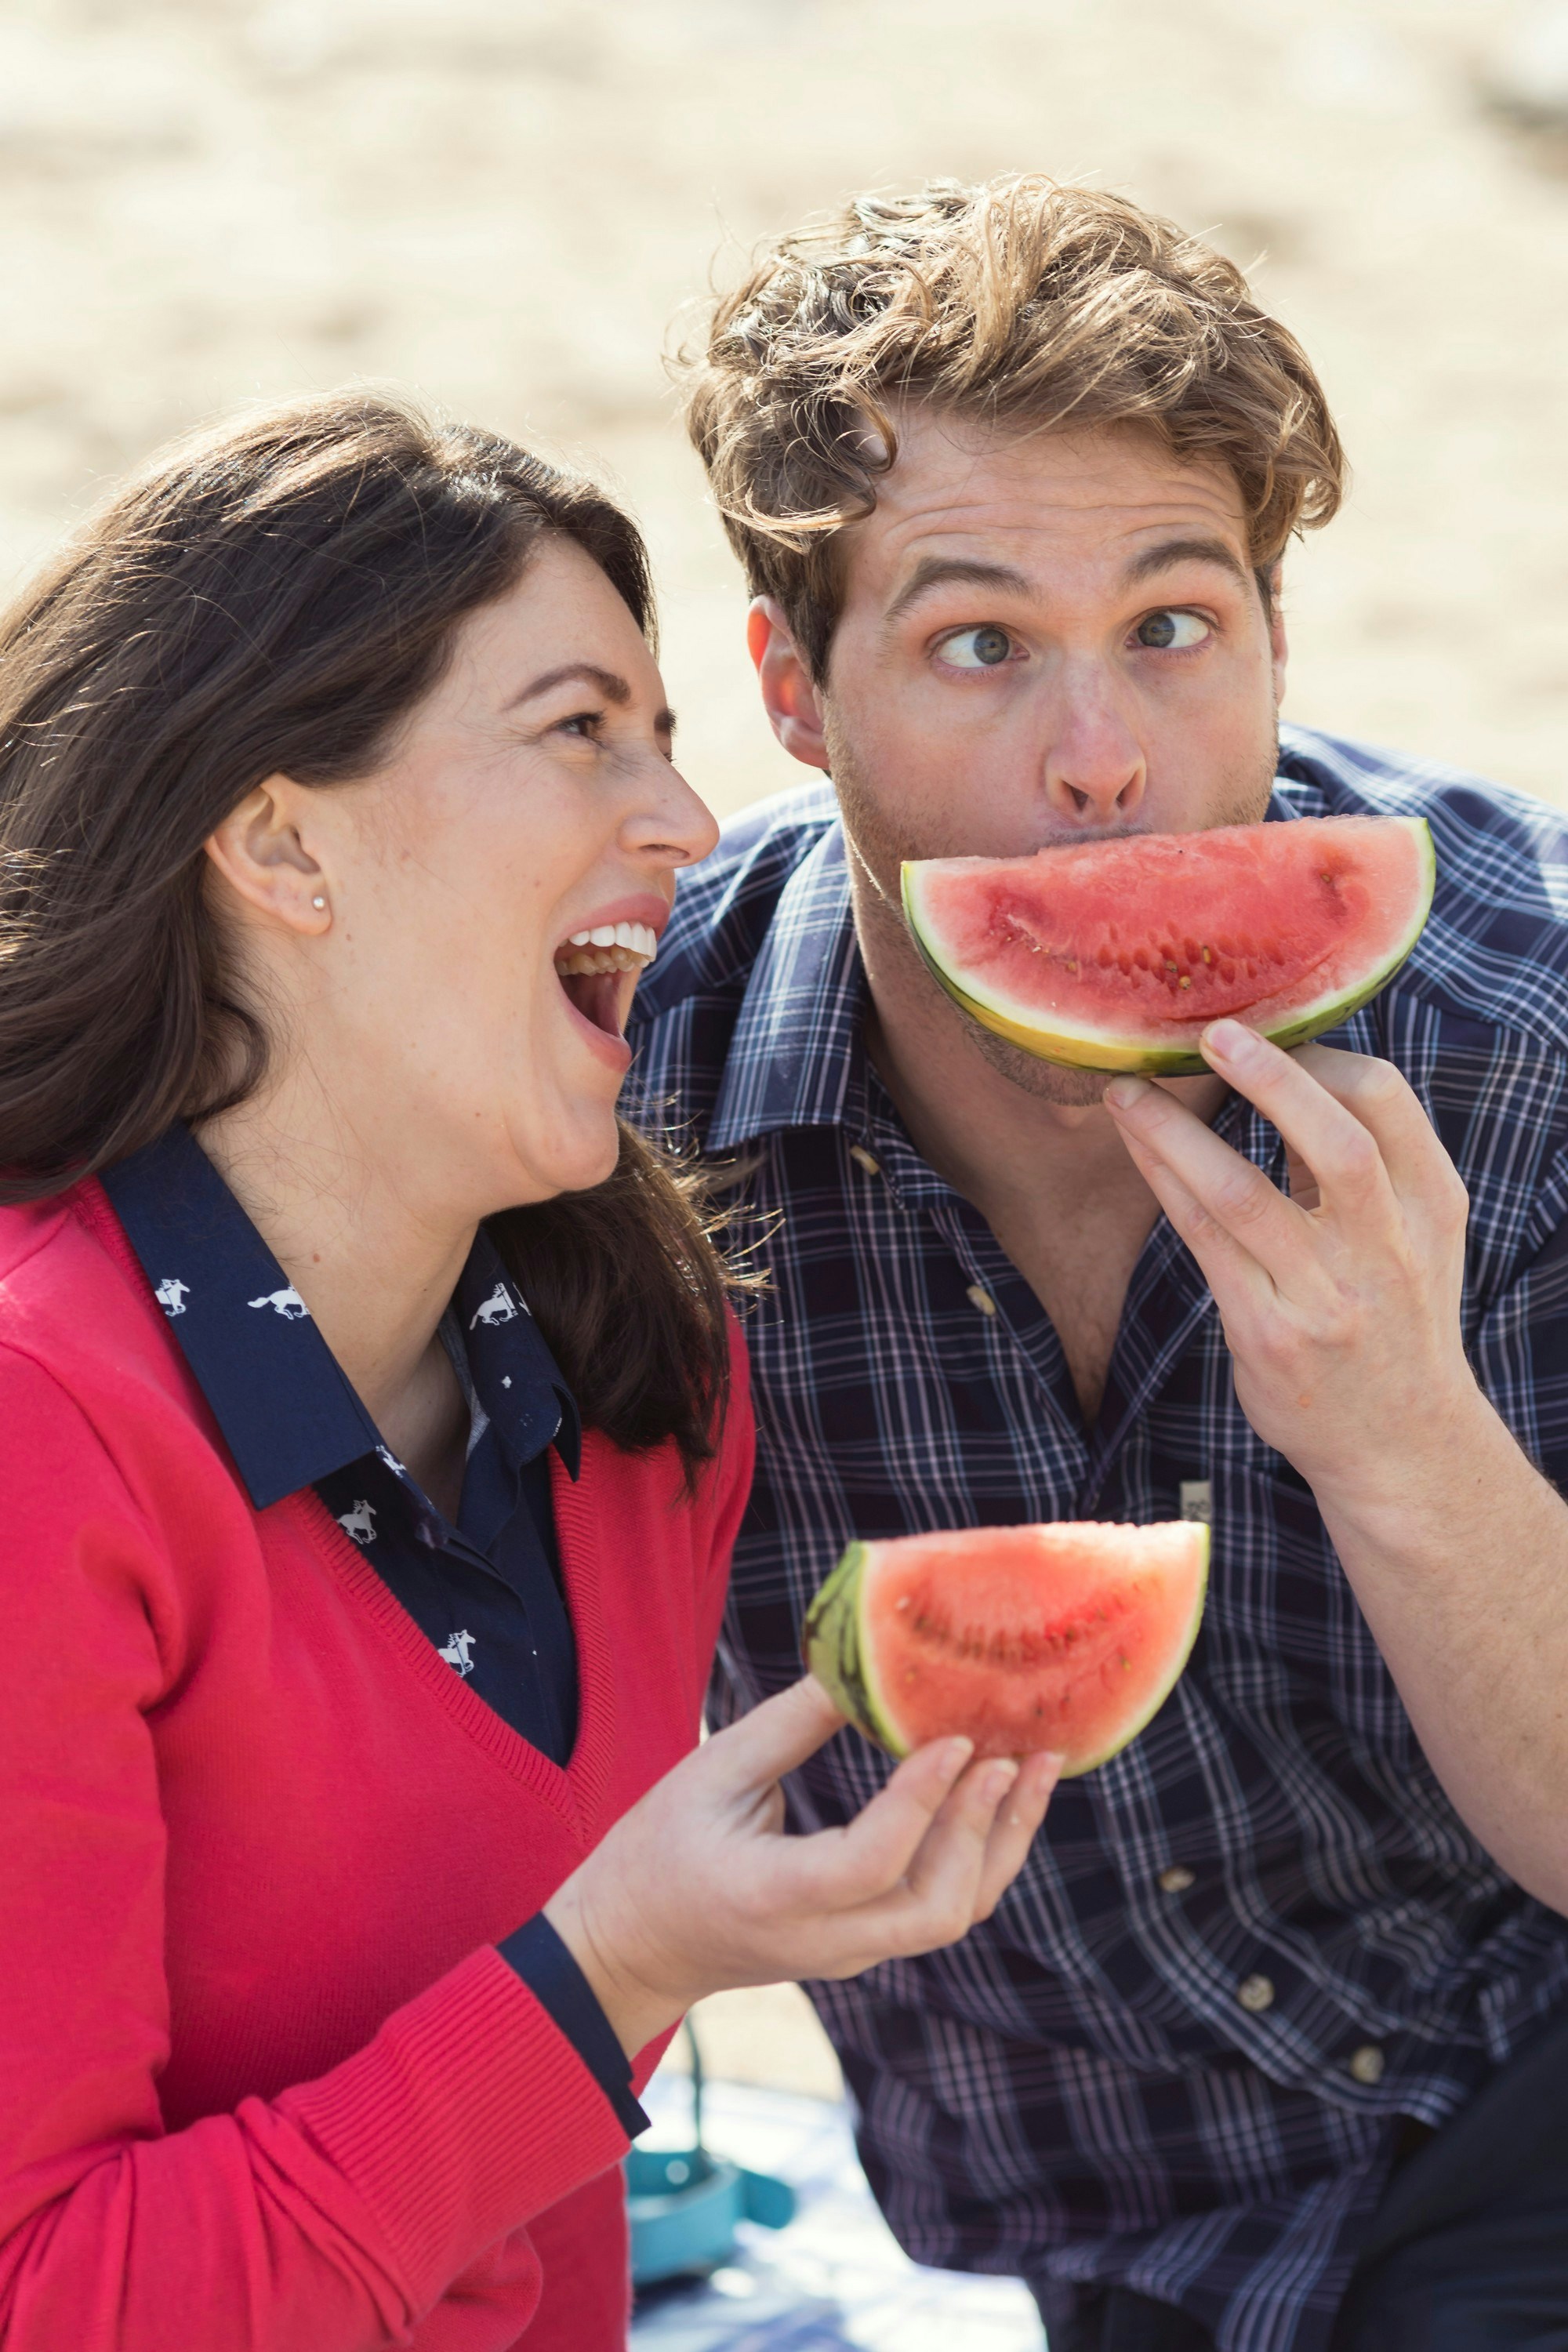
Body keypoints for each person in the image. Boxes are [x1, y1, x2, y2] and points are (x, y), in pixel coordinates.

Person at [0, 391, 1062, 2352]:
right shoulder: (34, 1430)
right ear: (277, 843)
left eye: (667, 739)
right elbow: (46, 2296)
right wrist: (606, 1973)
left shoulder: (640, 1382)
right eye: (581, 733)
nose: (685, 824)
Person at [627, 177, 1568, 2351]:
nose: (1103, 763)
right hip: (1093, 2217)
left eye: (1173, 624)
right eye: (979, 645)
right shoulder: (622, 1107)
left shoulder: (1517, 1049)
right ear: (793, 686)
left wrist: (1405, 1438)